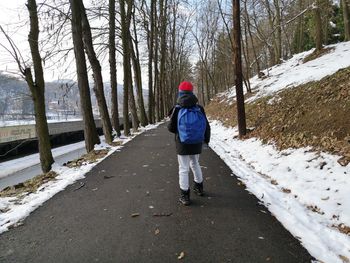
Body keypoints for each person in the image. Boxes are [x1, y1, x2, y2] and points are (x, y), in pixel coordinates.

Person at [167, 81, 210, 206]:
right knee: (195, 163)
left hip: (182, 143)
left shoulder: (177, 108)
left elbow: (171, 128)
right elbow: (206, 126)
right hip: (197, 142)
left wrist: (180, 131)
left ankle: (185, 196)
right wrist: (206, 140)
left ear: (180, 92)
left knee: (183, 169)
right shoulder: (199, 108)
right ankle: (199, 188)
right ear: (192, 92)